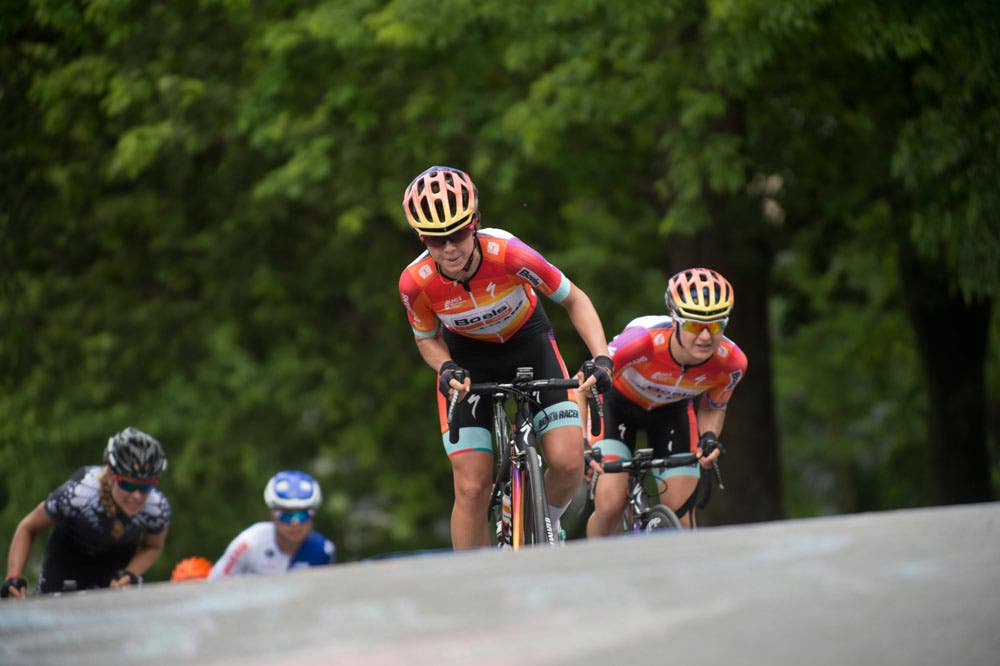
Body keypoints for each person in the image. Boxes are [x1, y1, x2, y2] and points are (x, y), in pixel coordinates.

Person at [397, 165, 613, 549]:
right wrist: (445, 367)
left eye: (458, 233)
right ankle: (476, 588)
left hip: (527, 343)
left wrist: (602, 356)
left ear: (475, 222)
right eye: (434, 238)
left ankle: (545, 520)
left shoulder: (509, 255)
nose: (448, 248)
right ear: (420, 236)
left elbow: (574, 299)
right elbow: (426, 338)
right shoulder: (415, 282)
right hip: (466, 359)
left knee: (567, 464)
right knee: (471, 486)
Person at [586, 268, 748, 535]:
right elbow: (582, 385)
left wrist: (709, 437)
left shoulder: (732, 362)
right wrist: (583, 441)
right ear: (674, 320)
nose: (706, 337)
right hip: (617, 406)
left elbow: (713, 404)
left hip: (672, 413)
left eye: (716, 325)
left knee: (682, 519)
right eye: (695, 326)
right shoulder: (641, 342)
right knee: (611, 506)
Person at [1, 427, 171, 598]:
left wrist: (130, 573)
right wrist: (13, 577)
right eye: (128, 485)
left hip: (115, 564)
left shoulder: (156, 507)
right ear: (112, 475)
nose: (137, 495)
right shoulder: (78, 494)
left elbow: (153, 546)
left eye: (146, 486)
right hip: (67, 559)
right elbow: (28, 527)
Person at [208, 470, 335, 579]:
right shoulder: (248, 543)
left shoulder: (323, 550)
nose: (295, 523)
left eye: (303, 514)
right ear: (271, 515)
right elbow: (215, 582)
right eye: (287, 514)